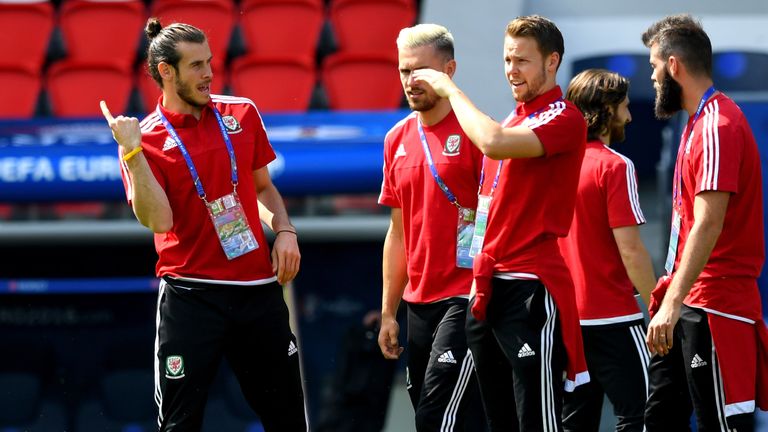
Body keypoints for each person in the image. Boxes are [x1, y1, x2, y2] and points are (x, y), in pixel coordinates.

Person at [100, 18, 307, 431]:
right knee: (180, 424)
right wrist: (132, 153)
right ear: (166, 72)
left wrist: (284, 230)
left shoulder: (242, 113)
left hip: (257, 290)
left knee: (287, 420)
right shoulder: (144, 140)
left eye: (209, 62)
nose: (209, 73)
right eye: (196, 65)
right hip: (190, 296)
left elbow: (263, 188)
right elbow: (158, 220)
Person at [412, 15, 590, 431]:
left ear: (552, 62)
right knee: (497, 420)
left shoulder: (562, 116)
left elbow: (492, 142)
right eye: (507, 59)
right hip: (489, 285)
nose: (511, 70)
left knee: (538, 421)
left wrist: (449, 89)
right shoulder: (514, 118)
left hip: (530, 287)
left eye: (522, 61)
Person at [641, 14, 768, 431]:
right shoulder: (697, 123)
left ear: (674, 66)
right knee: (660, 418)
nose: (653, 77)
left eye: (654, 67)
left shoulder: (717, 124)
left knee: (722, 424)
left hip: (713, 306)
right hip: (688, 301)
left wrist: (673, 304)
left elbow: (708, 223)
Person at [377, 23, 486, 432]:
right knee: (450, 417)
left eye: (421, 71)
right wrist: (389, 312)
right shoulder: (395, 138)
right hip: (417, 303)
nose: (411, 80)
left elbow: (497, 217)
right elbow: (398, 232)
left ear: (450, 69)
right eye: (404, 71)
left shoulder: (478, 131)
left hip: (467, 297)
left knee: (435, 417)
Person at [558, 69, 655, 432]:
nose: (629, 116)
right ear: (609, 109)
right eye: (625, 106)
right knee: (645, 416)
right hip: (613, 317)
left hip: (565, 321)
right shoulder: (616, 165)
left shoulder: (553, 166)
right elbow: (630, 250)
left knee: (574, 422)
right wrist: (658, 306)